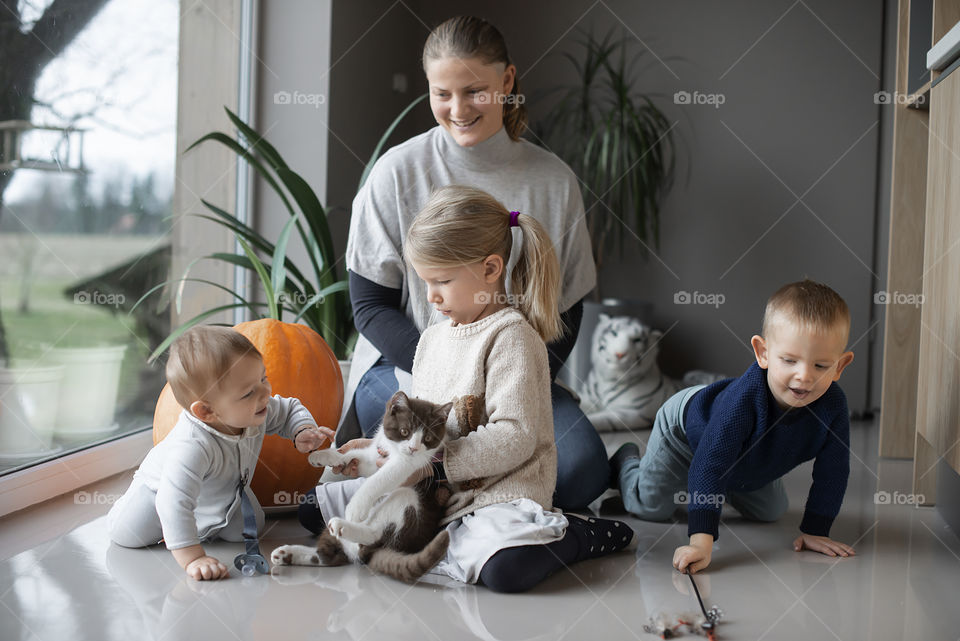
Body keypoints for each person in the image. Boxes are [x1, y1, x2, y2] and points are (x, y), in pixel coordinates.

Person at [302, 186, 633, 592]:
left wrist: (434, 466)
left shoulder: (513, 337)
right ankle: (436, 538)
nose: (431, 297)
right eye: (424, 282)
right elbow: (425, 431)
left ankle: (578, 535)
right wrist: (379, 453)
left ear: (491, 269)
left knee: (505, 572)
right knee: (311, 511)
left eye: (441, 280)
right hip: (435, 494)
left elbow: (515, 438)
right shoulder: (433, 340)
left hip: (499, 496)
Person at [340, 15, 607, 510]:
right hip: (409, 376)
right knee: (429, 456)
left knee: (579, 471)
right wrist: (451, 378)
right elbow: (370, 307)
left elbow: (567, 308)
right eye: (442, 93)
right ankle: (449, 503)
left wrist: (512, 382)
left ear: (506, 82)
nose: (457, 109)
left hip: (515, 376)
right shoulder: (396, 173)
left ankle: (440, 496)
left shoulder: (553, 182)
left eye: (474, 91)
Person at [610, 279, 857, 574]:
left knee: (771, 511)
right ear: (763, 352)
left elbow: (834, 469)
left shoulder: (833, 408)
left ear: (840, 366)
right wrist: (701, 542)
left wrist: (817, 529)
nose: (804, 376)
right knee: (650, 507)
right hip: (685, 430)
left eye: (820, 366)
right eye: (789, 360)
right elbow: (710, 463)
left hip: (740, 456)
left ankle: (714, 490)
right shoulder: (742, 402)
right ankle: (626, 461)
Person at [107, 326, 330, 580]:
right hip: (159, 494)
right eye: (249, 392)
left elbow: (289, 409)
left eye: (263, 378)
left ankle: (204, 523)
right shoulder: (191, 447)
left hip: (224, 491)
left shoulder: (256, 408)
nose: (265, 392)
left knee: (251, 526)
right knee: (129, 535)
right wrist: (193, 557)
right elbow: (173, 502)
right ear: (207, 412)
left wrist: (301, 430)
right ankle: (140, 516)